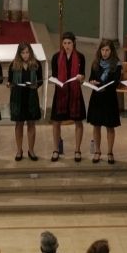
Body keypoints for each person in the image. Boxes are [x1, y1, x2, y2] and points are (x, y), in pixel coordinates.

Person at [49, 31, 86, 162]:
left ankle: (77, 149)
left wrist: (81, 78)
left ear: (74, 43)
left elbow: (83, 77)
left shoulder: (80, 57)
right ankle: (55, 149)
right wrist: (53, 80)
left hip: (75, 93)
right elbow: (53, 75)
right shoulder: (56, 57)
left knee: (78, 121)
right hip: (61, 94)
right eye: (64, 43)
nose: (67, 46)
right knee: (56, 122)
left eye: (69, 43)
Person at [86, 40, 122, 164]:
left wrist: (103, 85)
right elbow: (91, 77)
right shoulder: (96, 63)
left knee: (110, 127)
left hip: (109, 98)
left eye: (107, 50)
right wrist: (92, 82)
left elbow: (116, 82)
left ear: (111, 51)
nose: (105, 53)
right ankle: (97, 151)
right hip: (97, 97)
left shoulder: (116, 65)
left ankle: (110, 152)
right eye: (102, 50)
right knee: (96, 125)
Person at [8, 42, 43, 161]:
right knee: (19, 124)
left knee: (31, 124)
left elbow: (40, 80)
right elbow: (9, 80)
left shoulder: (36, 64)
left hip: (31, 97)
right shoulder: (13, 65)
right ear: (19, 53)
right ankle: (19, 150)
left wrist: (35, 85)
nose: (25, 55)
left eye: (27, 52)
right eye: (23, 53)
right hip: (18, 97)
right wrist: (9, 84)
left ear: (31, 53)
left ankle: (31, 150)